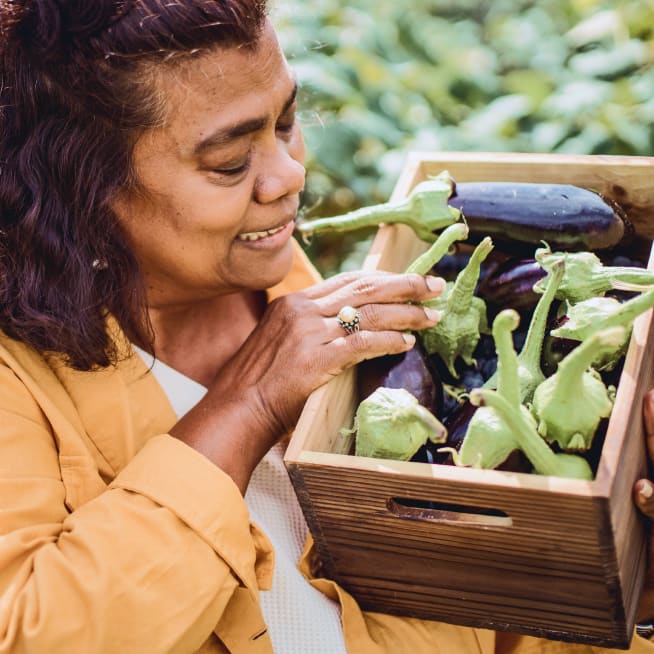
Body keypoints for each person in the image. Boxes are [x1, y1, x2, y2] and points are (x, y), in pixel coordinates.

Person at [0, 1, 653, 653]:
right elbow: (39, 634)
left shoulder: (300, 296)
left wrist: (630, 581)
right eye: (230, 163)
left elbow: (488, 615)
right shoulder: (16, 387)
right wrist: (247, 405)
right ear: (79, 185)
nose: (289, 175)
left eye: (285, 123)